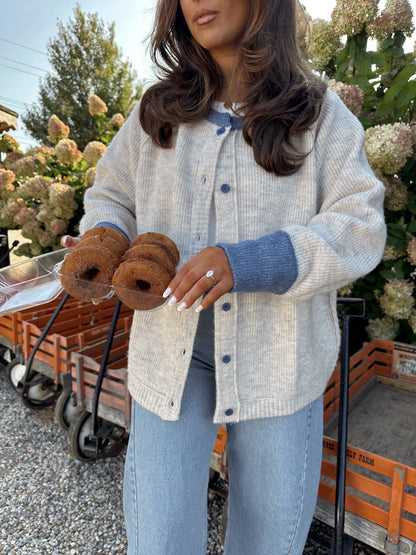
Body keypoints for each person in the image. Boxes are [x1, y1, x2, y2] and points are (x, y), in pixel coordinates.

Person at [62, 0, 386, 553]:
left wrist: (251, 261)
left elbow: (360, 225)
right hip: (170, 356)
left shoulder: (320, 115)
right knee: (158, 536)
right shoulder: (156, 112)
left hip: (281, 362)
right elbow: (112, 194)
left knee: (269, 538)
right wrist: (103, 237)